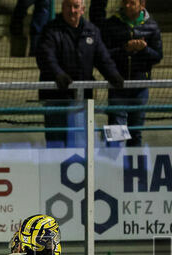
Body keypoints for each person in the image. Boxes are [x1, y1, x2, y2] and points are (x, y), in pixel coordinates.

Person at [36, 0, 123, 148]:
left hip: (83, 100)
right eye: (68, 6)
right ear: (62, 8)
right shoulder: (50, 30)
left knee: (82, 143)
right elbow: (45, 56)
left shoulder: (92, 31)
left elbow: (103, 58)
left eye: (76, 7)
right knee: (56, 142)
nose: (72, 10)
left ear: (82, 10)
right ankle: (54, 169)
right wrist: (58, 75)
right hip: (55, 98)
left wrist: (113, 74)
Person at [101, 0, 162, 147]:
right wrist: (125, 49)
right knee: (116, 132)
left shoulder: (152, 26)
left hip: (140, 87)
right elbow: (104, 55)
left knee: (135, 132)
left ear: (142, 5)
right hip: (117, 86)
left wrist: (144, 49)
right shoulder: (111, 24)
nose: (127, 5)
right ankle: (112, 167)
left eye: (132, 3)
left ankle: (134, 168)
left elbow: (158, 56)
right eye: (125, 2)